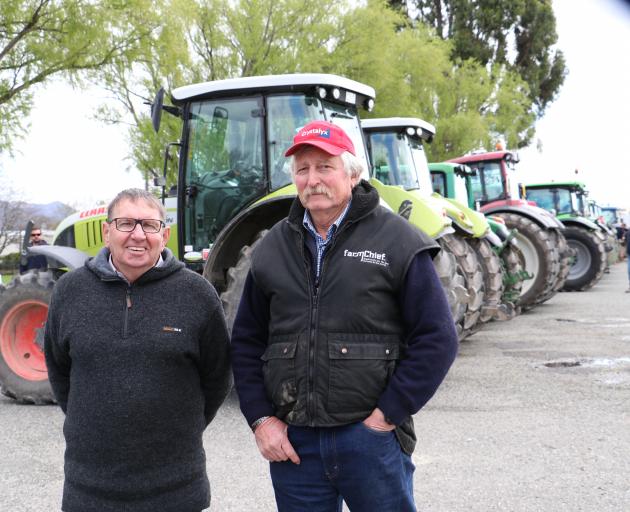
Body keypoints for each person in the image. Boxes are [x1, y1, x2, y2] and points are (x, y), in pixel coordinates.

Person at [230, 121, 459, 511]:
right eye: (303, 169)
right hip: (295, 444)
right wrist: (261, 420)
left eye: (325, 167)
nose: (313, 179)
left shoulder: (398, 240)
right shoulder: (271, 248)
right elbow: (247, 340)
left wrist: (386, 417)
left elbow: (438, 338)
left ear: (352, 174)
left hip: (369, 438)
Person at [44, 188, 231, 512]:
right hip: (90, 491)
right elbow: (60, 373)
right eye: (126, 223)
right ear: (107, 231)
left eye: (149, 225)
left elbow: (217, 378)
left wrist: (178, 428)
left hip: (176, 491)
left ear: (165, 234)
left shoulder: (198, 295)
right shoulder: (69, 292)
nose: (138, 235)